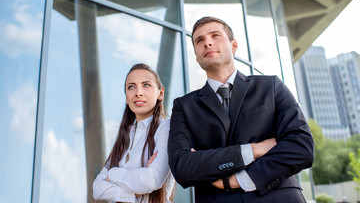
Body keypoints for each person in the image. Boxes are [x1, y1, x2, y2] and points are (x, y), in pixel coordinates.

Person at [168, 16, 314, 202]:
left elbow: (301, 147)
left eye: (215, 35)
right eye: (200, 40)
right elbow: (182, 167)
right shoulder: (184, 106)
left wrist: (237, 180)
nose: (207, 43)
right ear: (196, 56)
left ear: (234, 45)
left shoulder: (271, 87)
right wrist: (253, 149)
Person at [93, 63, 174, 203]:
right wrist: (134, 190)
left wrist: (112, 174)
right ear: (126, 97)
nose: (138, 92)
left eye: (146, 85)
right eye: (131, 87)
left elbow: (151, 180)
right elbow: (97, 189)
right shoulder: (126, 135)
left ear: (160, 93)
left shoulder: (167, 128)